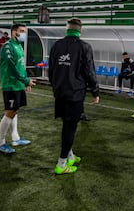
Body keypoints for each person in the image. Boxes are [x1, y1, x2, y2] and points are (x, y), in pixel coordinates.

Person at [49, 18, 99, 175]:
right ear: (80, 30)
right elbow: (89, 71)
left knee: (66, 124)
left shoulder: (56, 45)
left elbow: (52, 70)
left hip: (60, 92)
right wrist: (95, 91)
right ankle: (62, 164)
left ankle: (70, 156)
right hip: (75, 94)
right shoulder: (84, 46)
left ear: (67, 28)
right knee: (70, 128)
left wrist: (56, 86)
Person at [0, 24, 36, 154]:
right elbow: (12, 67)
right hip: (10, 84)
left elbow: (21, 66)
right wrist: (25, 80)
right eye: (21, 31)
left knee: (15, 110)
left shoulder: (19, 46)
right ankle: (0, 143)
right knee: (10, 112)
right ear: (14, 32)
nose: (23, 33)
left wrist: (26, 81)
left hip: (18, 84)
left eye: (24, 31)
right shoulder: (8, 46)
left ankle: (15, 138)